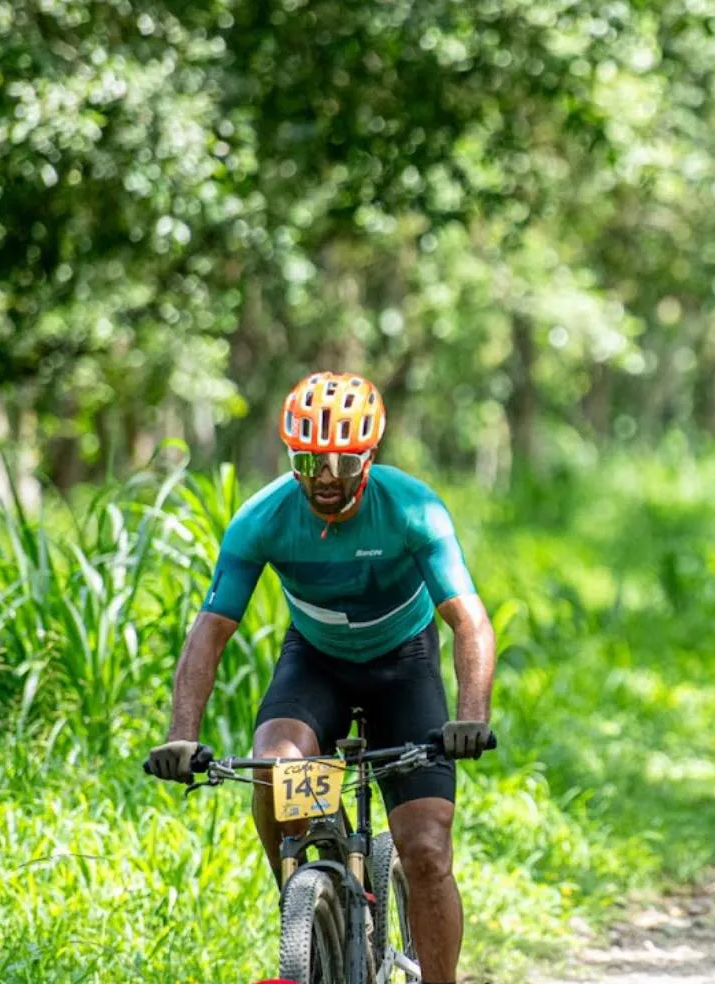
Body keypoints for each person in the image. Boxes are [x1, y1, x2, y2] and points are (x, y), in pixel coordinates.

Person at [145, 370, 496, 984]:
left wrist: (470, 719)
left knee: (425, 849)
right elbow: (210, 630)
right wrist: (181, 734)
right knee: (273, 768)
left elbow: (469, 622)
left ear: (369, 457)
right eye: (308, 463)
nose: (325, 478)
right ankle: (305, 899)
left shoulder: (412, 509)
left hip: (403, 667)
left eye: (342, 462)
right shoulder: (263, 518)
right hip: (316, 663)